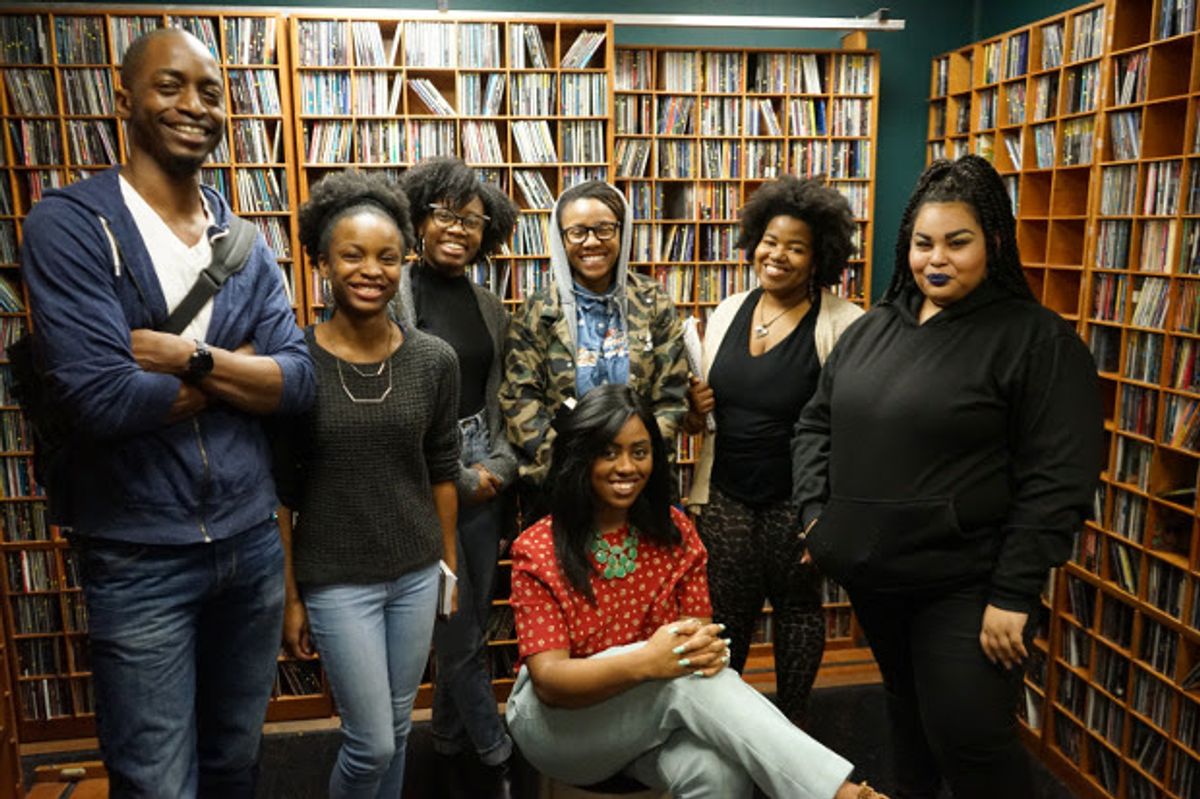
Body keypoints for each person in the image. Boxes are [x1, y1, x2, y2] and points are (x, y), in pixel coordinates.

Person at [19, 29, 314, 799]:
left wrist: (188, 359)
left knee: (234, 763)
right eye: (170, 85)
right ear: (124, 99)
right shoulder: (72, 226)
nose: (194, 105)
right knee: (155, 781)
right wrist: (241, 367)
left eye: (210, 91)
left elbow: (301, 381)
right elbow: (102, 398)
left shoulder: (245, 241)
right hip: (138, 552)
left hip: (251, 546)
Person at [792, 155, 1103, 799]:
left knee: (969, 737)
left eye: (957, 243)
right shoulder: (873, 327)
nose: (937, 259)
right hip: (877, 580)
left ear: (992, 242)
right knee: (906, 724)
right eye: (923, 243)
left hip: (968, 586)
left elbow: (1057, 479)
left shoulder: (1036, 341)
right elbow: (815, 425)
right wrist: (817, 518)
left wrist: (1015, 593)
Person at [506, 383, 889, 799]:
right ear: (580, 459)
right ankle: (840, 793)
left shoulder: (676, 532)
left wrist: (682, 658)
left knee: (719, 773)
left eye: (639, 452)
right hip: (557, 726)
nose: (626, 467)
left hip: (648, 717)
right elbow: (550, 681)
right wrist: (647, 662)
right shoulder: (539, 546)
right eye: (608, 452)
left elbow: (699, 649)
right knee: (677, 674)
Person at [278, 170, 460, 799]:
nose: (370, 270)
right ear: (322, 262)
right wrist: (291, 596)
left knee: (400, 730)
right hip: (336, 578)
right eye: (351, 255)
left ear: (405, 261)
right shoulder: (296, 365)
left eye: (386, 257)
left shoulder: (434, 360)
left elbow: (443, 468)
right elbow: (282, 494)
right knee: (371, 741)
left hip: (415, 571)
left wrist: (449, 570)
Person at [683, 176, 862, 726]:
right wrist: (695, 407)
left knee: (798, 613)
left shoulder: (844, 323)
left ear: (820, 257)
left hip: (798, 503)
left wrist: (827, 517)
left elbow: (852, 432)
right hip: (727, 495)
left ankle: (794, 726)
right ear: (753, 239)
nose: (777, 255)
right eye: (770, 240)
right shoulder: (729, 309)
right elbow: (705, 418)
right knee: (726, 620)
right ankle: (733, 731)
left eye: (796, 247)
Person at [392, 157, 518, 792]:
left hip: (488, 474)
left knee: (464, 619)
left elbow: (505, 401)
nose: (458, 230)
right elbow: (391, 404)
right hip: (423, 476)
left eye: (472, 221)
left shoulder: (492, 307)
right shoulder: (391, 297)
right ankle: (499, 755)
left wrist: (498, 468)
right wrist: (461, 477)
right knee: (461, 628)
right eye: (445, 214)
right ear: (417, 219)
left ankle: (445, 738)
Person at [500, 180, 688, 494]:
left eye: (604, 229)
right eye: (577, 232)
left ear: (622, 231)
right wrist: (574, 469)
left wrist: (636, 461)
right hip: (562, 483)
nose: (591, 242)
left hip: (639, 482)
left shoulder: (653, 301)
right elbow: (520, 400)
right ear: (561, 239)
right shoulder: (538, 310)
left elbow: (671, 398)